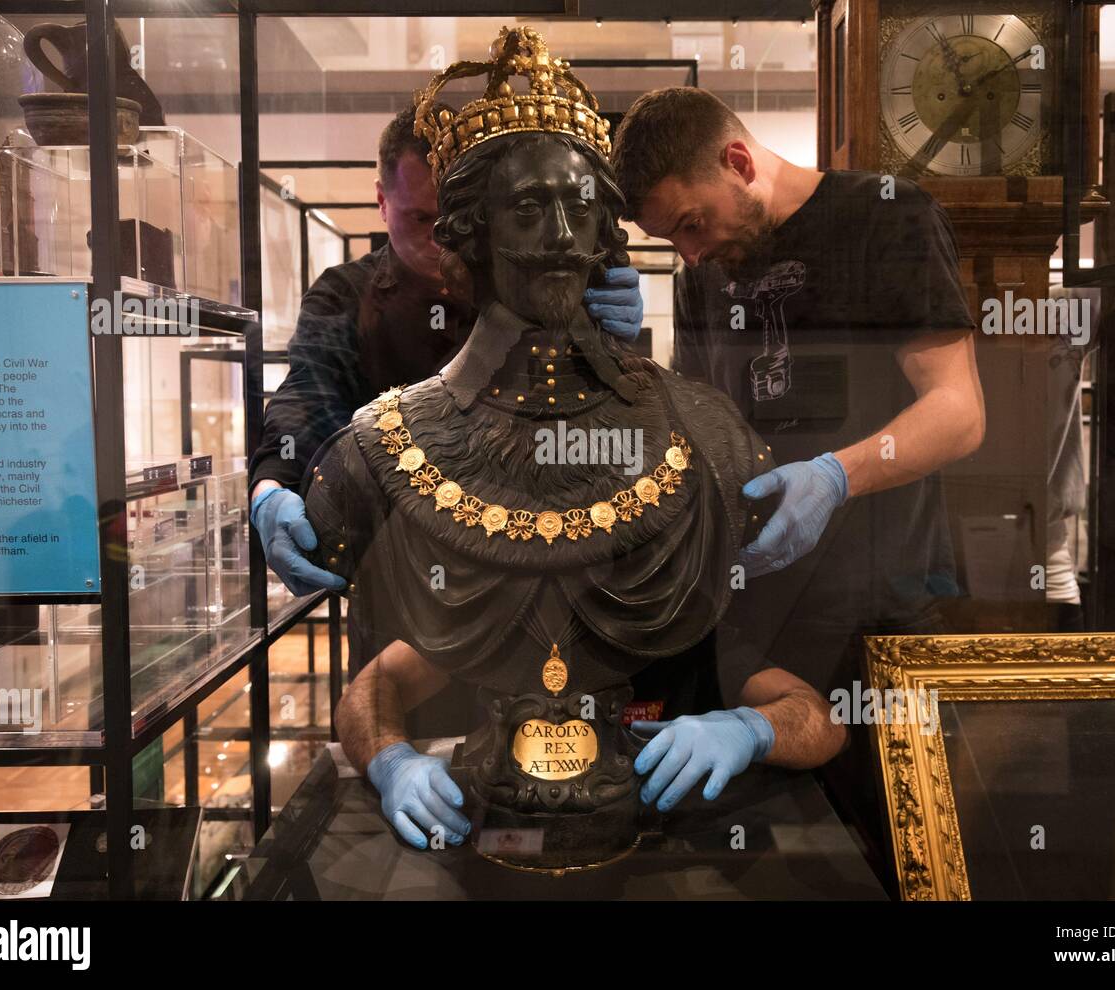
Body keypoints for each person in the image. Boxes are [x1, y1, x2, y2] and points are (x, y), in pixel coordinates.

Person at [305, 28, 847, 858]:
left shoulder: (704, 435)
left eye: (580, 208)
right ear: (471, 231)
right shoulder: (382, 444)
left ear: (606, 232)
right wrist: (389, 762)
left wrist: (746, 729)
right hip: (485, 837)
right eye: (527, 209)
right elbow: (376, 684)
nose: (560, 235)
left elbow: (814, 719)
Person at [610, 86, 986, 870]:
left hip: (889, 609)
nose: (689, 254)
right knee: (789, 864)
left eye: (691, 225)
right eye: (670, 241)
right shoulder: (701, 274)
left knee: (906, 853)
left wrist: (835, 476)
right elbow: (702, 431)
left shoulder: (888, 217)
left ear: (739, 162)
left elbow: (959, 412)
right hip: (768, 618)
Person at [247, 105, 646, 611]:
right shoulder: (347, 295)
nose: (445, 240)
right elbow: (309, 395)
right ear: (381, 202)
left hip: (545, 555)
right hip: (402, 576)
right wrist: (271, 487)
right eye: (423, 219)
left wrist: (598, 322)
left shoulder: (523, 278)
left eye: (458, 219)